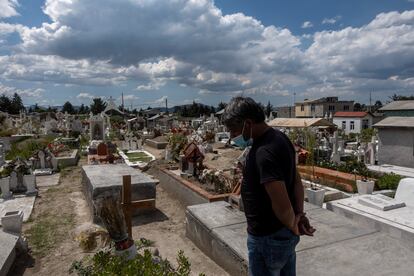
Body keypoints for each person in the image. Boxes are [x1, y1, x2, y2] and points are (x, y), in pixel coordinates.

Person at [222, 97, 315, 276]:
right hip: (280, 234)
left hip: (268, 239)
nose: (232, 136)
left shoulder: (264, 152)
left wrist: (293, 226)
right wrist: (299, 215)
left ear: (248, 123)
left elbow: (280, 203)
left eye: (233, 130)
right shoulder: (280, 138)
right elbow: (296, 180)